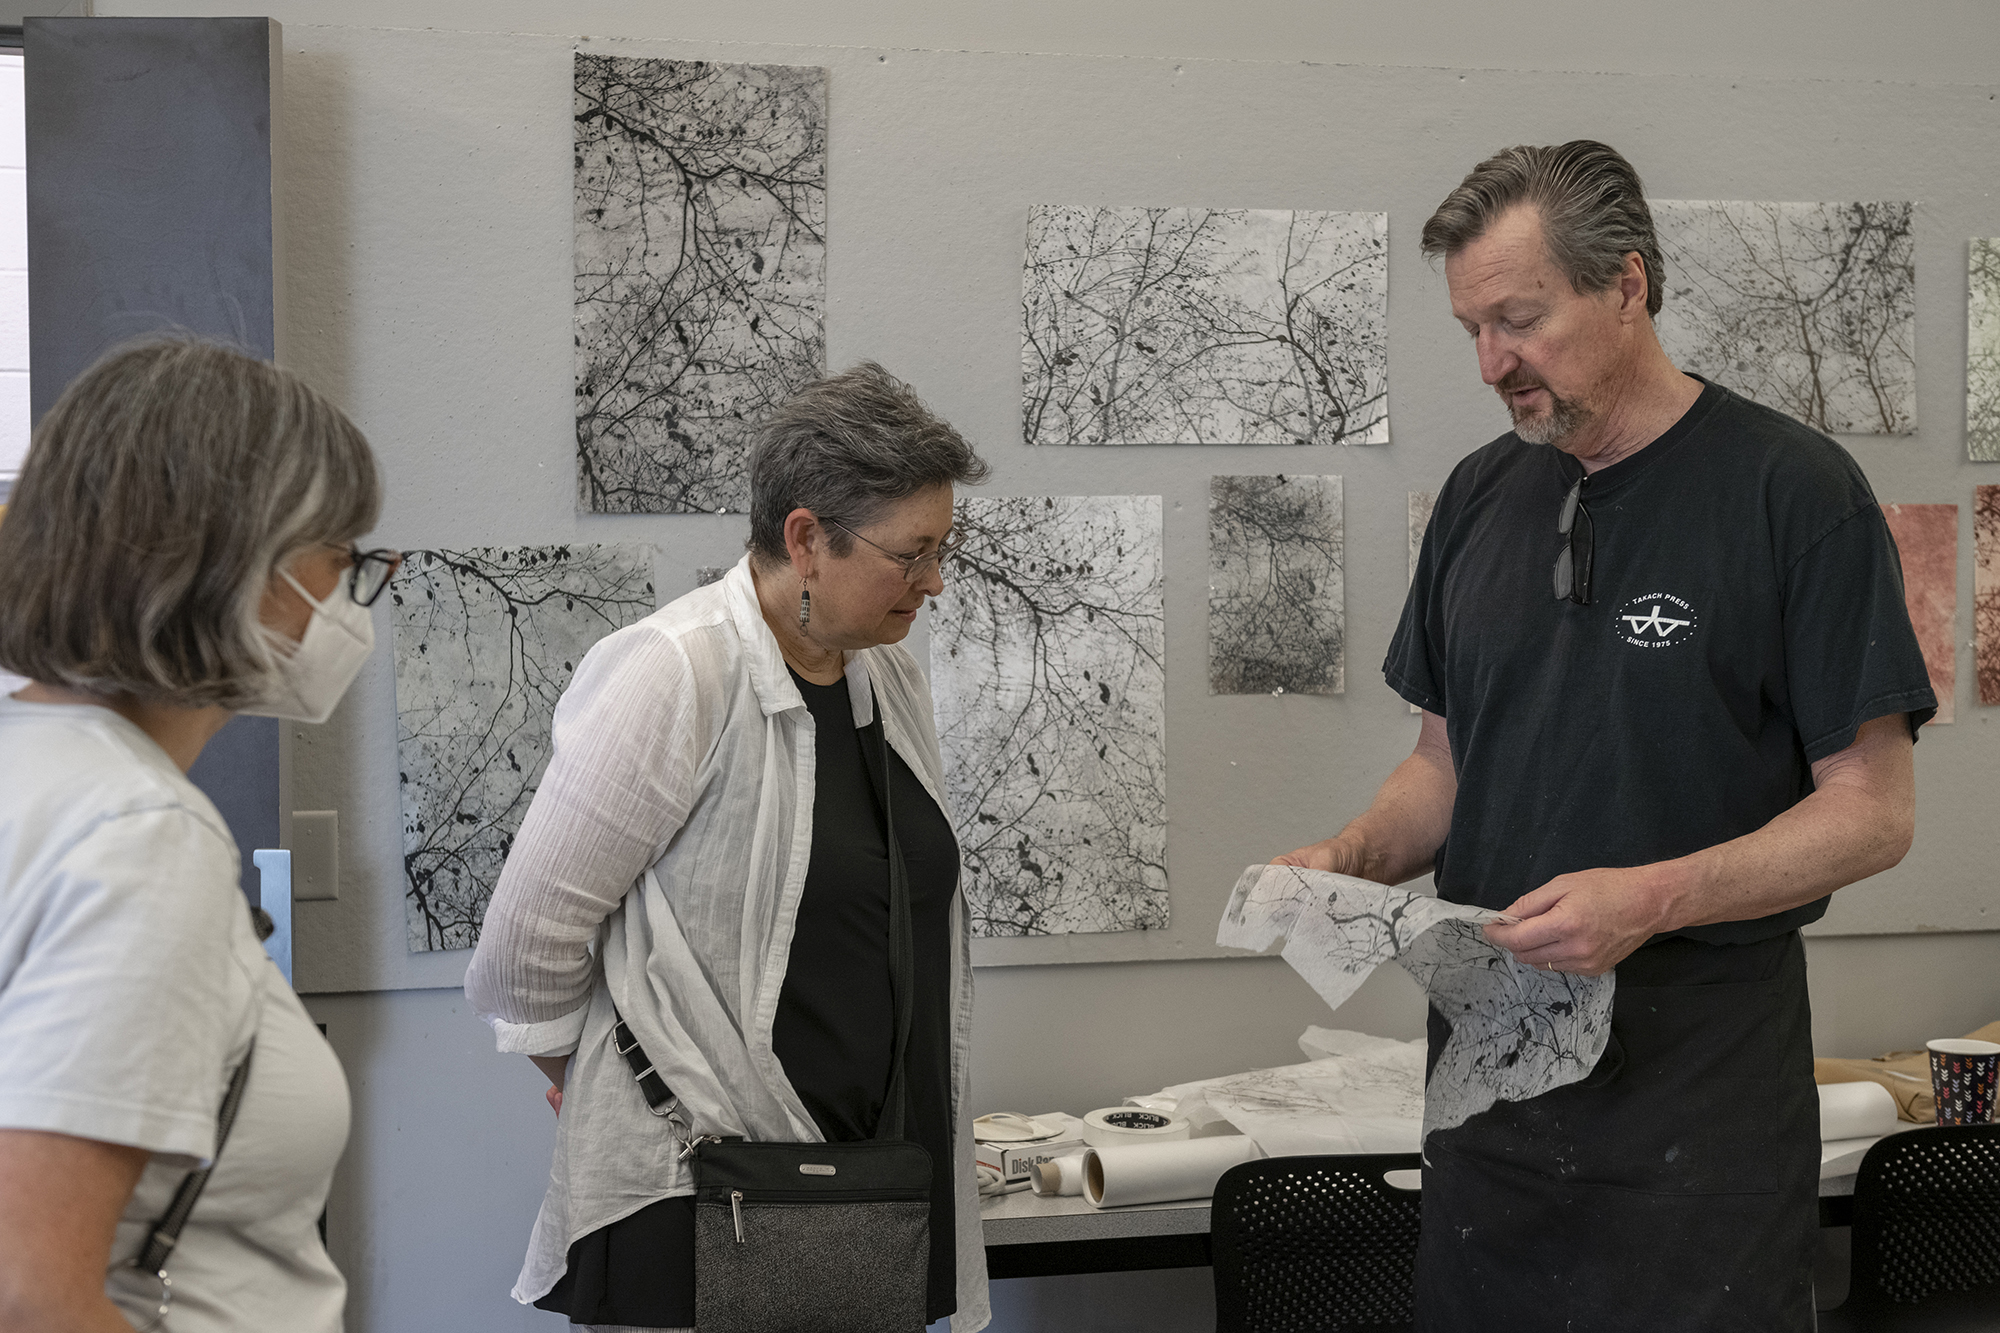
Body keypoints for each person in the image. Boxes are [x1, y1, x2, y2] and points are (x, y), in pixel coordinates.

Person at [1274, 141, 1932, 1331]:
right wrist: (1352, 855)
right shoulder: (1477, 498)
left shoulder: (1795, 495)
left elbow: (1871, 811)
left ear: (1624, 286)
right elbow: (1442, 763)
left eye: (1518, 319)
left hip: (1697, 1121)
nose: (1490, 362)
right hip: (1488, 1116)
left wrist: (1651, 897)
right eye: (1469, 327)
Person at [464, 363, 993, 1332]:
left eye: (940, 549)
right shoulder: (675, 672)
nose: (934, 580)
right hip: (705, 1204)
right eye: (911, 553)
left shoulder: (888, 680)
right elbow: (519, 950)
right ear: (805, 540)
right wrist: (587, 1074)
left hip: (863, 1195)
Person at [0, 339, 389, 1332]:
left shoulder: (32, 767)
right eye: (341, 560)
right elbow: (34, 1295)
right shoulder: (141, 836)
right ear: (242, 559)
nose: (346, 604)